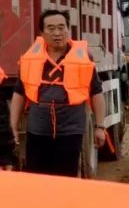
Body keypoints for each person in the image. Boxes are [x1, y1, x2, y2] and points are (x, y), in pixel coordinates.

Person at [8, 10, 106, 177]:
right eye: (51, 28)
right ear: (42, 33)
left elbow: (96, 92)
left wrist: (100, 127)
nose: (57, 33)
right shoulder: (31, 58)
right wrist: (13, 127)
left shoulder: (83, 58)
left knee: (65, 178)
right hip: (38, 130)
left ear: (68, 30)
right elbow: (19, 93)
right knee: (37, 179)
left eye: (61, 28)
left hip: (70, 130)